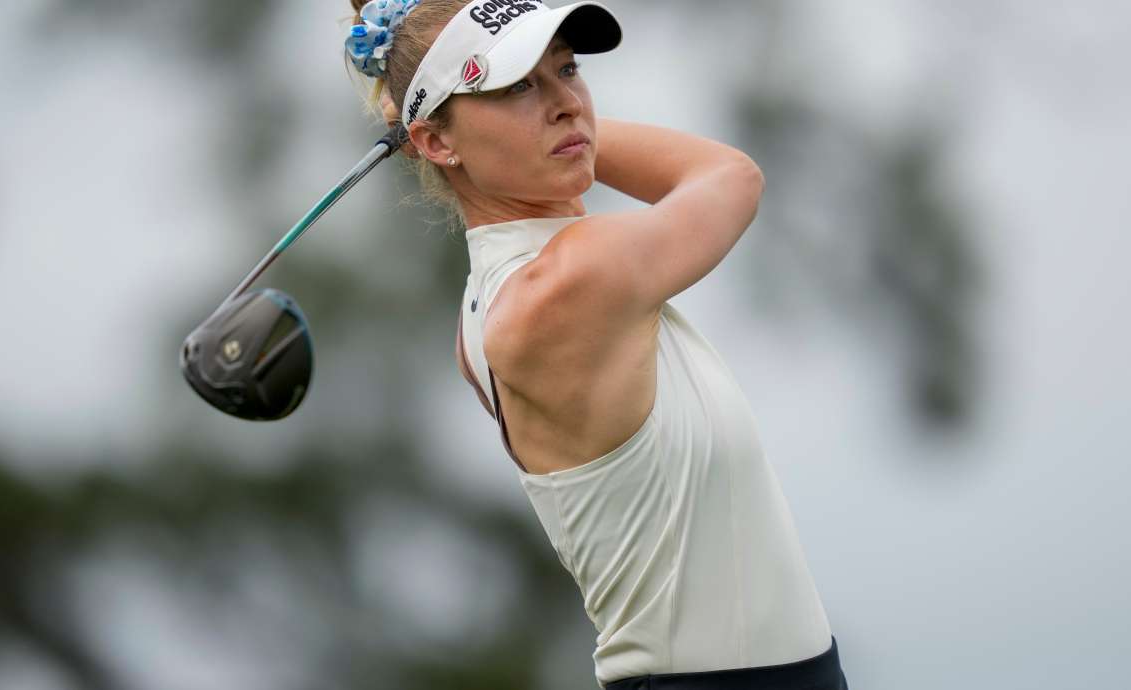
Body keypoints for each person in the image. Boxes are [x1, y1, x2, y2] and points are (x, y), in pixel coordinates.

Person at [343, 1, 849, 688]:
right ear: (434, 143)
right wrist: (537, 128)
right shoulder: (567, 282)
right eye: (517, 86)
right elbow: (732, 177)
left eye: (567, 71)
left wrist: (486, 120)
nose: (567, 105)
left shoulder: (498, 293)